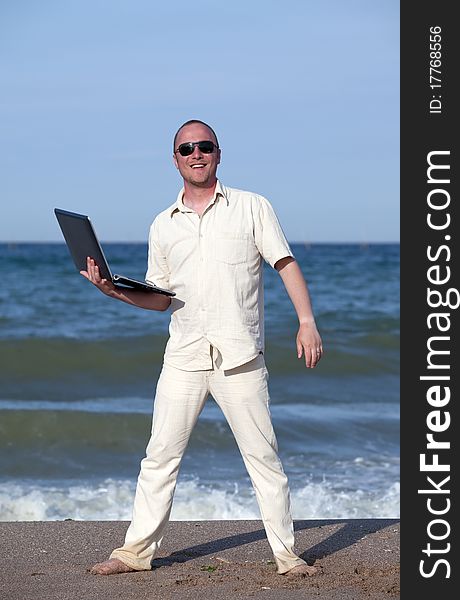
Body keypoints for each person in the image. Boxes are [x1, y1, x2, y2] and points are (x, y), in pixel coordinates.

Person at [82, 119, 323, 577]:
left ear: (217, 152)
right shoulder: (162, 225)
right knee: (159, 457)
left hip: (240, 359)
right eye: (186, 148)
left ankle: (288, 556)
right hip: (185, 357)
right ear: (175, 160)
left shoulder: (252, 207)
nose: (197, 153)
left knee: (264, 459)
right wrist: (113, 291)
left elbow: (285, 264)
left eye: (204, 146)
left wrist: (306, 322)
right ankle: (135, 553)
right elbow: (161, 299)